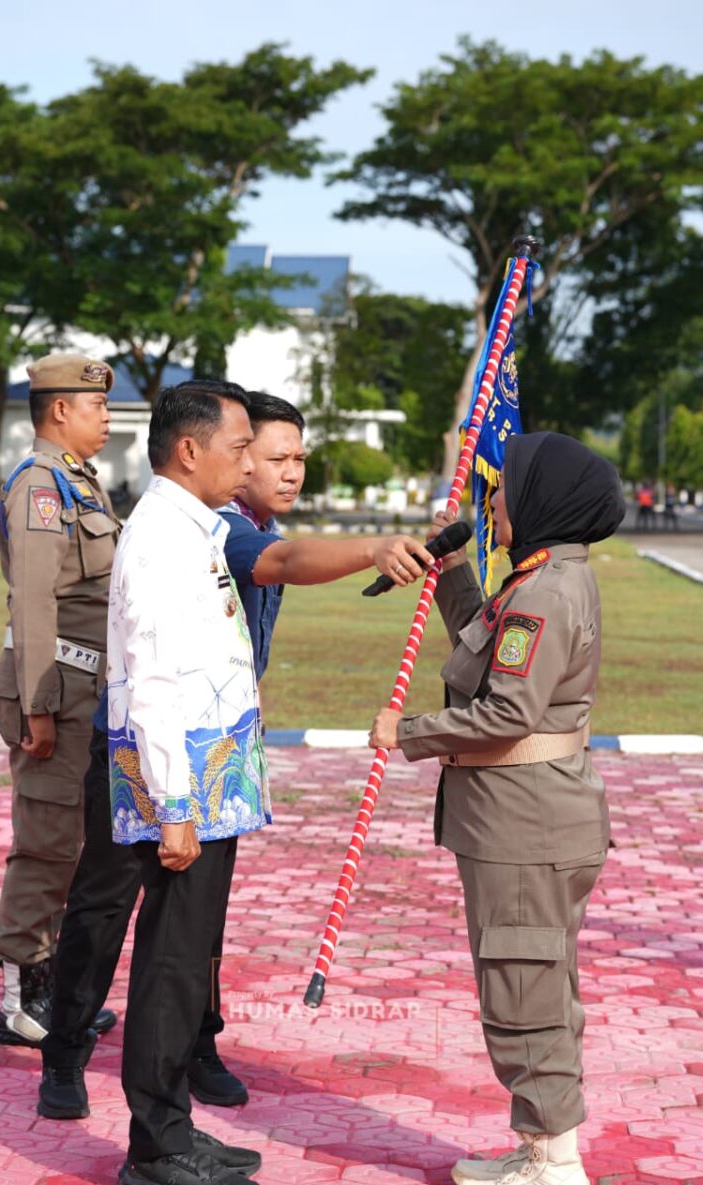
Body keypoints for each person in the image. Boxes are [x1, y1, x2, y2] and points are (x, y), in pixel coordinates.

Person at [37, 388, 433, 1121]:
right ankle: (66, 1050)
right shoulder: (217, 530)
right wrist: (371, 549)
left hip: (209, 751)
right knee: (107, 905)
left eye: (294, 458)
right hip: (151, 752)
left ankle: (193, 1050)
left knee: (196, 923)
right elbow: (281, 563)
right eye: (262, 453)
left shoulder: (222, 523)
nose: (281, 470)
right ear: (204, 453)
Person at [370, 432, 625, 1185]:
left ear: (545, 499)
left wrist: (408, 733)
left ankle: (555, 1170)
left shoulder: (544, 592)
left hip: (526, 824)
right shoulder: (541, 579)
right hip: (527, 820)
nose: (494, 499)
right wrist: (453, 569)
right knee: (534, 984)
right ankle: (539, 1148)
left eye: (506, 487)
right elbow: (484, 657)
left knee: (525, 992)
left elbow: (507, 712)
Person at [104, 381, 269, 1185]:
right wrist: (174, 805)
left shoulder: (193, 526)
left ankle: (170, 1121)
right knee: (171, 962)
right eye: (239, 449)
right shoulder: (160, 539)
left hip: (207, 782)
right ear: (189, 450)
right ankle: (155, 1150)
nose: (251, 464)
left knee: (186, 956)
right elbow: (153, 681)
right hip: (182, 790)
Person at [0, 353, 119, 1048]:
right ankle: (22, 1001)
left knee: (71, 844)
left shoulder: (80, 482)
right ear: (61, 409)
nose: (107, 418)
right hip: (55, 692)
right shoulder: (41, 486)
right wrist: (38, 705)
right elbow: (33, 600)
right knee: (46, 845)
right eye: (97, 406)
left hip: (82, 689)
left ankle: (57, 989)